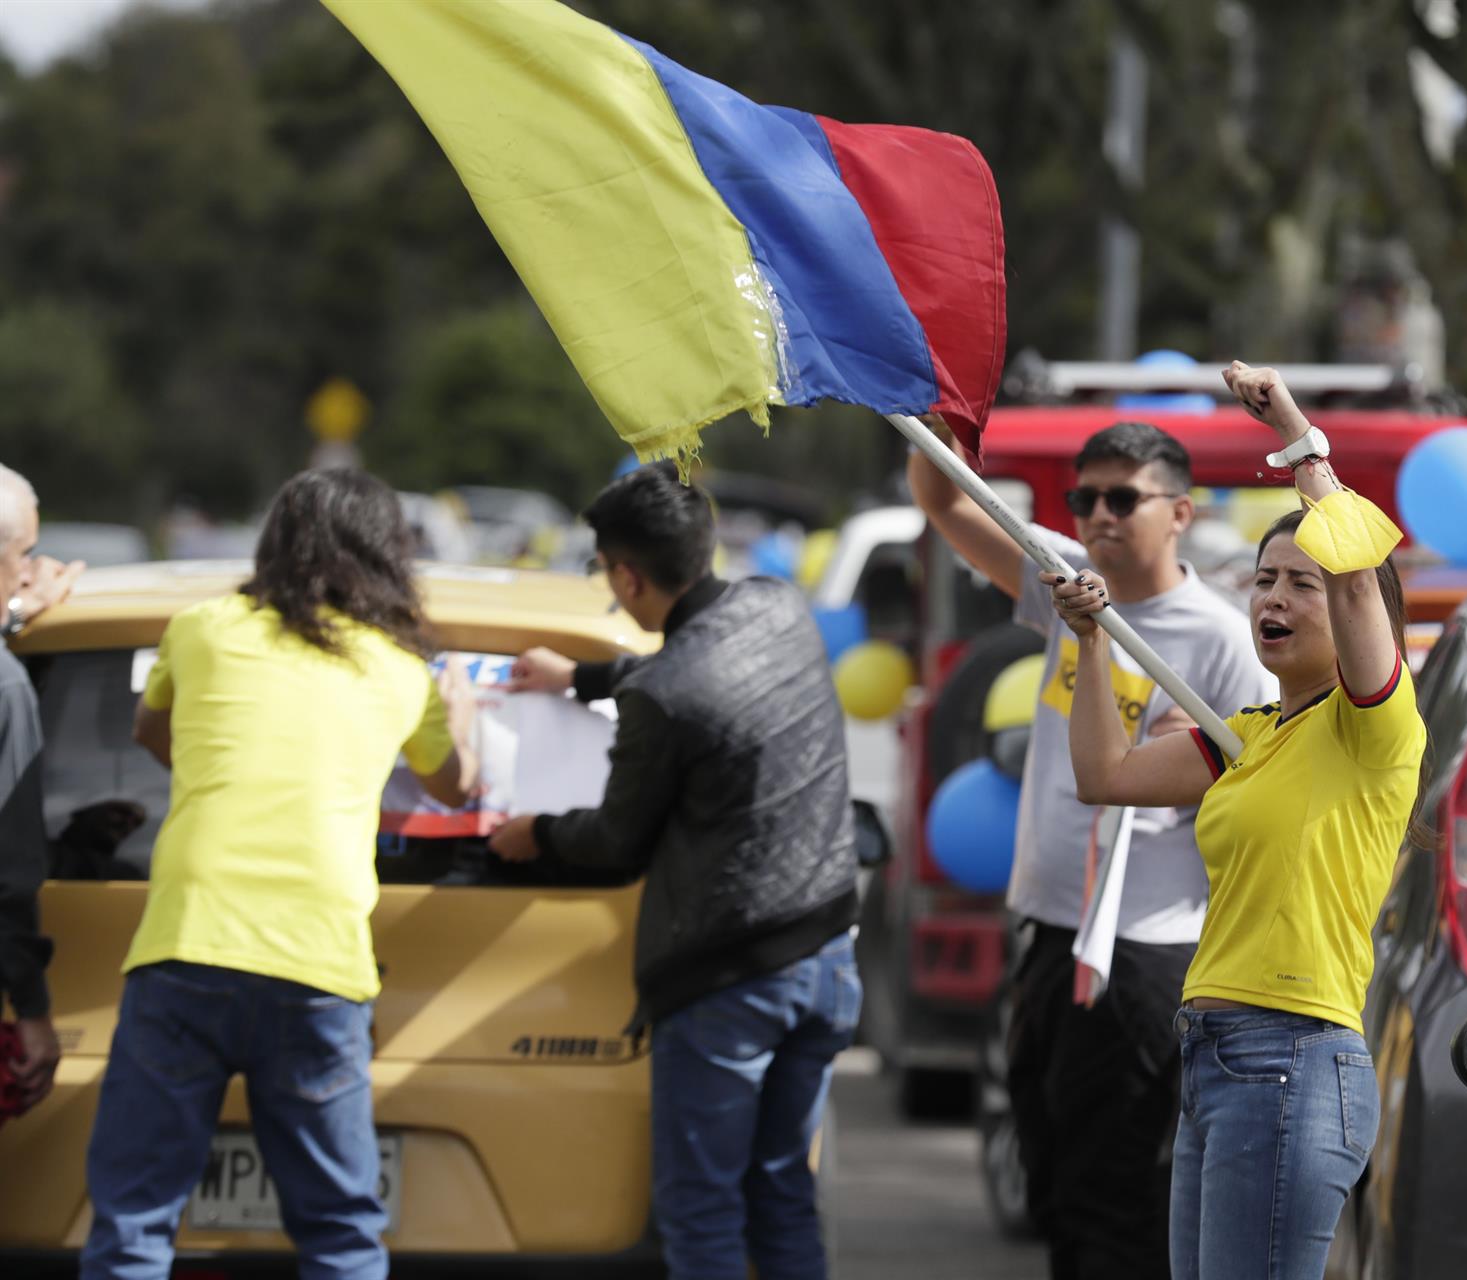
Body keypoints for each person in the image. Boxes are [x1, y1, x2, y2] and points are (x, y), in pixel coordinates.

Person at [1045, 362, 1427, 1280]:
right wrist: (1090, 641)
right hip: (1215, 1056)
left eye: (1302, 584)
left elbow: (1359, 584)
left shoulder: (1373, 725)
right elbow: (1103, 775)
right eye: (1263, 581)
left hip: (1294, 1059)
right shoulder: (1243, 734)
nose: (1273, 601)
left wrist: (1295, 430)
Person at [81, 469, 478, 1280]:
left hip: (187, 944)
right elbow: (457, 786)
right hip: (317, 960)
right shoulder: (402, 671)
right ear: (384, 555)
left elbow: (153, 733)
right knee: (339, 1233)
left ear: (275, 541)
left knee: (133, 1222)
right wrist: (460, 701)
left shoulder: (200, 629)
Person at [908, 420, 1273, 1279]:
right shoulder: (1066, 584)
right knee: (1047, 1168)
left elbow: (1261, 786)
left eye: (1122, 498)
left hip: (1145, 949)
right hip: (1049, 931)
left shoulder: (1219, 639)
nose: (1099, 517)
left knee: (1115, 1191)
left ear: (1180, 512)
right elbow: (942, 501)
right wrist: (929, 411)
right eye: (1084, 499)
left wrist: (1206, 762)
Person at [488, 462, 860, 1280]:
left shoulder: (665, 695)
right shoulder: (778, 606)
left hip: (729, 982)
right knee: (783, 1196)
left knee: (701, 1211)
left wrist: (538, 831)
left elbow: (616, 838)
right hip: (829, 960)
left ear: (626, 574)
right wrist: (583, 678)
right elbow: (706, 674)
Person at [0, 463, 84, 1121]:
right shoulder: (6, 689)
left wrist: (19, 615)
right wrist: (31, 1007)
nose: (30, 570)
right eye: (22, 553)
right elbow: (11, 876)